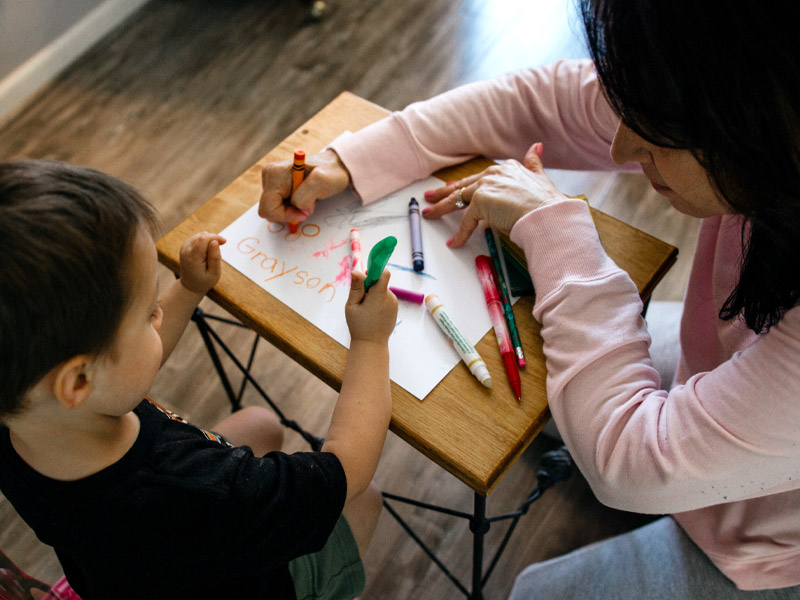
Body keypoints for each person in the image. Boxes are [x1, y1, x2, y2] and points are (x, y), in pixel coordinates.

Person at [257, 0, 800, 597]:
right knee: (551, 393)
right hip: (731, 367)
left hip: (773, 544)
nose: (620, 149)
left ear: (760, 122)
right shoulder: (742, 99)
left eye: (655, 133)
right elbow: (538, 103)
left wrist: (558, 231)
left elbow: (631, 464)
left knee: (536, 588)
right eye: (627, 107)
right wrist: (348, 160)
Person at [0, 160, 398, 600]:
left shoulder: (23, 410)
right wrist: (370, 341)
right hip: (256, 583)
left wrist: (187, 288)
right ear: (76, 382)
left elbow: (117, 373)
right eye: (149, 312)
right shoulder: (200, 495)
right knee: (367, 500)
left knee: (261, 423)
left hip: (129, 572)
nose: (158, 316)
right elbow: (344, 470)